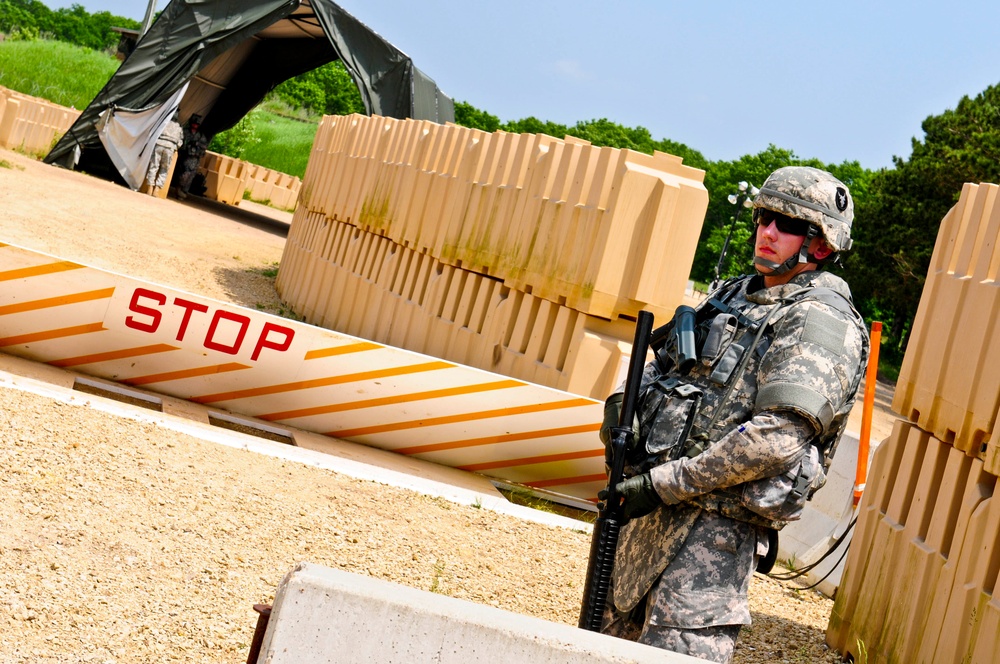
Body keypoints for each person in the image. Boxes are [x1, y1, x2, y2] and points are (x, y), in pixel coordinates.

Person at [598, 166, 870, 663]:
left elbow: (777, 437)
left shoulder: (819, 320)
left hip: (709, 539)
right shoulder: (733, 294)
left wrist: (663, 484)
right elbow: (660, 363)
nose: (767, 231)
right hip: (644, 519)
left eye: (787, 226)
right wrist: (622, 406)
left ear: (822, 246)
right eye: (765, 217)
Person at [144, 115, 183, 197]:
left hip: (159, 144)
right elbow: (180, 142)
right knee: (164, 170)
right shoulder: (179, 128)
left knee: (153, 166)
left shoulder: (163, 123)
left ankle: (150, 187)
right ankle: (157, 189)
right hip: (170, 148)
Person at [176, 113, 208, 199]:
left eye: (197, 124)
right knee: (184, 175)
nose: (195, 125)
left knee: (191, 177)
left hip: (195, 159)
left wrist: (197, 145)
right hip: (185, 157)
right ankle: (179, 190)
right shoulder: (185, 132)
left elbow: (204, 146)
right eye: (194, 123)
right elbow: (180, 142)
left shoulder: (201, 136)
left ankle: (183, 192)